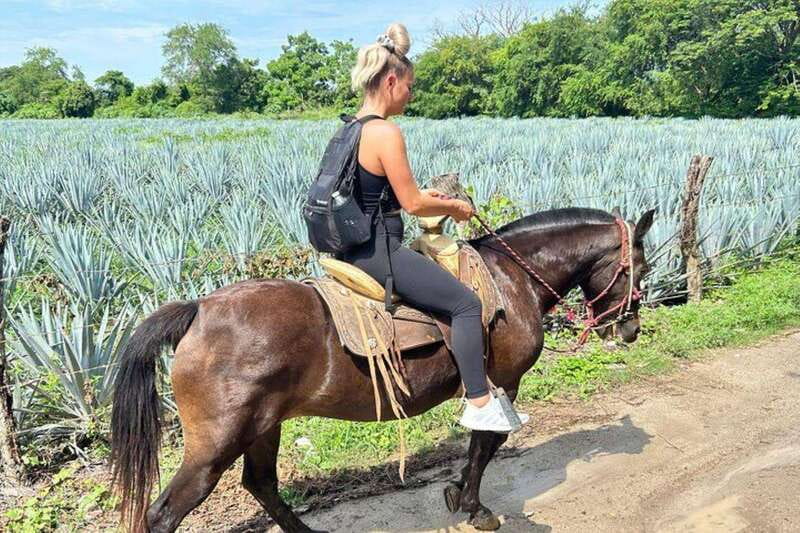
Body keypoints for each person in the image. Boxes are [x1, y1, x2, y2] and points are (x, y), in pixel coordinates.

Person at [339, 22, 528, 433]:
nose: (410, 95)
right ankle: (479, 402)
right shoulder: (385, 131)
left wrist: (428, 196)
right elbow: (410, 204)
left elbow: (379, 192)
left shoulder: (350, 129)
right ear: (391, 81)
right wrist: (457, 207)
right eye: (409, 86)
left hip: (350, 246)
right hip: (377, 251)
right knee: (464, 304)